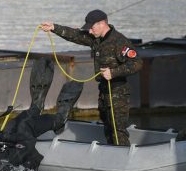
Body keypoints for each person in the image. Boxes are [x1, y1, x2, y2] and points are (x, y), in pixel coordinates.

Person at [0, 58, 83, 171]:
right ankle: (50, 113)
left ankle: (43, 109)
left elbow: (26, 141)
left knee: (18, 122)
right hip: (22, 134)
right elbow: (26, 142)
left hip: (17, 133)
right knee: (24, 123)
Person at [40, 9, 143, 146]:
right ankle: (112, 156)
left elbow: (137, 63)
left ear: (102, 24)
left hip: (118, 93)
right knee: (107, 129)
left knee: (118, 131)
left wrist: (114, 72)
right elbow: (75, 35)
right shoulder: (96, 38)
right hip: (104, 92)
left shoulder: (119, 42)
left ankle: (122, 159)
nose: (89, 31)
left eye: (92, 27)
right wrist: (54, 28)